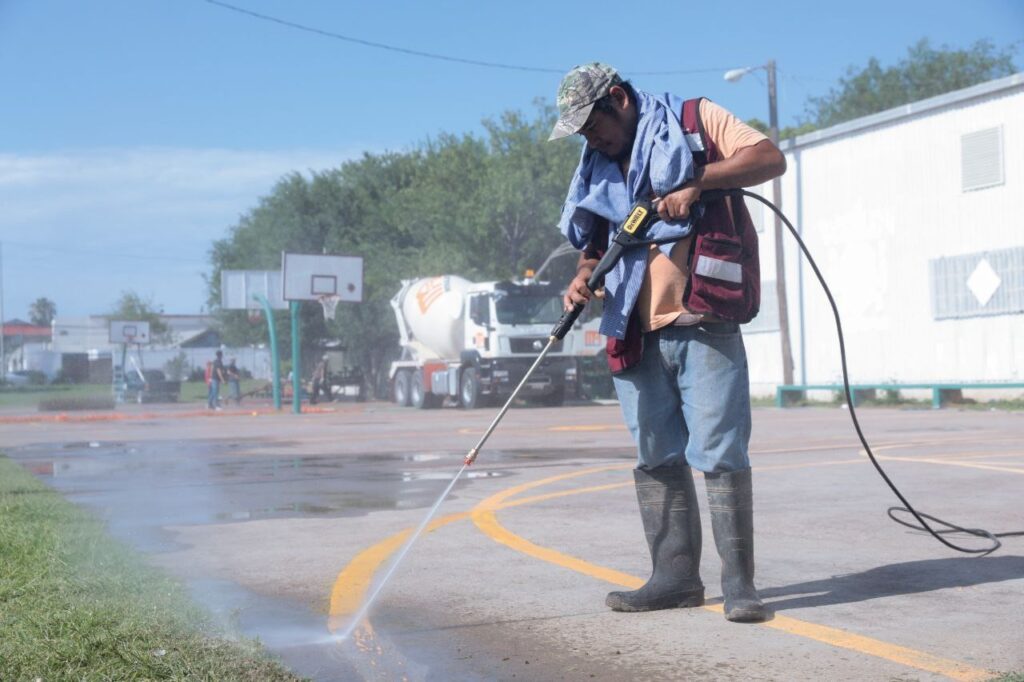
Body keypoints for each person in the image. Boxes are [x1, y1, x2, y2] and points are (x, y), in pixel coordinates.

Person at [551, 63, 786, 623]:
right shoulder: (600, 166)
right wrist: (585, 273)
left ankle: (739, 585)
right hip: (634, 326)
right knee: (655, 454)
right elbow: (599, 241)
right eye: (581, 132)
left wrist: (696, 183)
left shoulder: (694, 120)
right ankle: (674, 578)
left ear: (618, 99)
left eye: (593, 125)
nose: (591, 138)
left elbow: (770, 158)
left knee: (721, 451)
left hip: (700, 318)